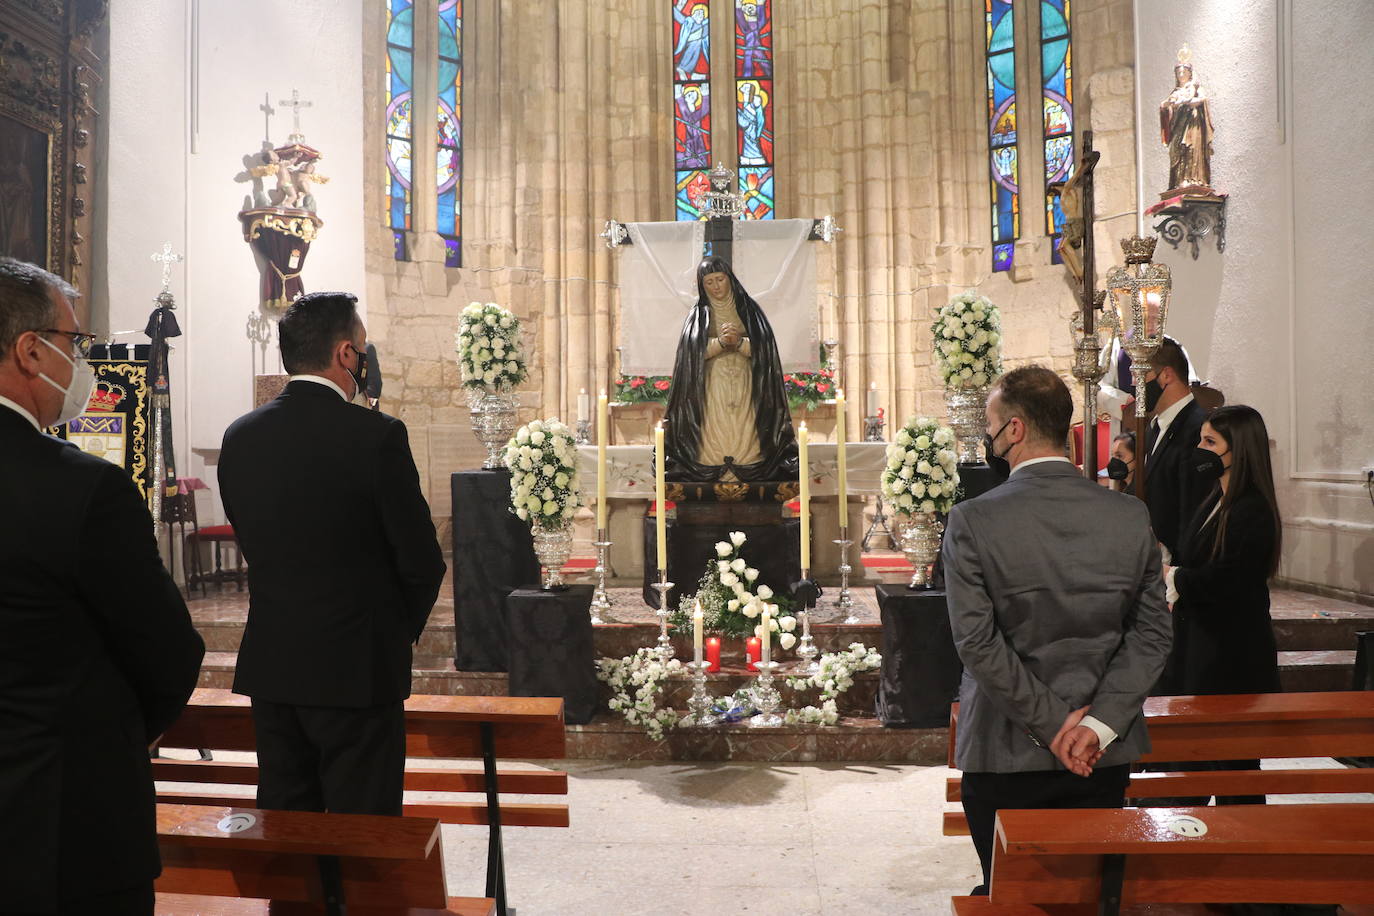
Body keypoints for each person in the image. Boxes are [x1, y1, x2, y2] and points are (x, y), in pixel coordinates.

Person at [0, 257, 205, 915]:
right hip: (65, 823)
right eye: (74, 343)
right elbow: (170, 653)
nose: (82, 362)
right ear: (31, 351)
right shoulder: (84, 489)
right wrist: (116, 734)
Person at [944, 365, 1172, 895]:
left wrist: (1053, 725)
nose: (990, 436)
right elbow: (1152, 635)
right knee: (1089, 895)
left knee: (1010, 895)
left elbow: (977, 642)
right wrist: (1095, 727)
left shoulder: (973, 520)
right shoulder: (1128, 515)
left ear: (1015, 429)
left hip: (1005, 745)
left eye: (992, 424)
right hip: (1101, 751)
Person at [218, 291, 445, 816]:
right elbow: (421, 561)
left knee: (286, 818)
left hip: (274, 665)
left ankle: (291, 902)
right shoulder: (377, 436)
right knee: (361, 832)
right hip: (357, 671)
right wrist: (389, 628)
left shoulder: (241, 436)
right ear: (346, 354)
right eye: (363, 348)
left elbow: (254, 538)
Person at [1150, 406, 1282, 806]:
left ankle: (1243, 853)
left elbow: (1230, 580)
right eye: (1200, 439)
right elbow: (1197, 560)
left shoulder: (1252, 509)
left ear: (1237, 451)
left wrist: (1172, 576)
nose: (1200, 449)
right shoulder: (1214, 498)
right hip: (1199, 653)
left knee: (1234, 771)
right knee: (1195, 762)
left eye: (1210, 442)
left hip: (1231, 660)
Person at [664, 256, 796, 482]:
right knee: (715, 424)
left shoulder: (749, 309)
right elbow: (690, 355)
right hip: (712, 381)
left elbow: (766, 350)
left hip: (747, 379)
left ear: (730, 279)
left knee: (746, 422)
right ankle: (714, 465)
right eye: (709, 282)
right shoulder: (699, 314)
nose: (716, 287)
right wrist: (721, 344)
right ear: (701, 286)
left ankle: (747, 464)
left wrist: (740, 343)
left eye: (720, 279)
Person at [1139, 337, 1210, 560]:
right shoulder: (1153, 427)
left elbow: (1195, 503)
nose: (1134, 384)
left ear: (1167, 375)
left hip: (1179, 562)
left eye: (1141, 375)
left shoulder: (1199, 429)